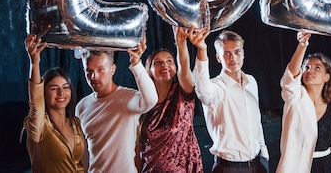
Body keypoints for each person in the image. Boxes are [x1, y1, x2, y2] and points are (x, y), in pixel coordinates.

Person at [75, 36, 158, 173]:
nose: (93, 77)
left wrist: (136, 63)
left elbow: (151, 100)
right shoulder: (82, 107)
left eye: (100, 69)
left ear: (112, 69)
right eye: (88, 71)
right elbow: (84, 151)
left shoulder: (129, 98)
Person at [193, 29, 270, 172]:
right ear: (218, 58)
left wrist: (264, 154)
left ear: (243, 53)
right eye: (226, 54)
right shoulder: (215, 87)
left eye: (237, 51)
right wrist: (202, 50)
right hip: (228, 167)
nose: (233, 57)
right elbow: (202, 91)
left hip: (257, 164)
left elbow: (256, 120)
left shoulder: (251, 81)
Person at [136, 26, 204, 172]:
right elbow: (138, 150)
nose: (164, 65)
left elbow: (185, 72)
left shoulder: (182, 94)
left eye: (169, 61)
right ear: (150, 71)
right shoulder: (143, 103)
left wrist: (180, 43)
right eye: (158, 63)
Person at [277, 31, 331, 173]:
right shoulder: (294, 98)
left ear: (327, 77)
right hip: (298, 167)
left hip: (328, 166)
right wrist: (302, 45)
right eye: (306, 67)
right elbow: (290, 77)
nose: (310, 71)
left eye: (317, 68)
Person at [22, 34, 87, 173]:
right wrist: (34, 63)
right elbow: (36, 105)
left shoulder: (75, 124)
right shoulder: (39, 126)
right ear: (43, 94)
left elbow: (81, 165)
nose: (61, 93)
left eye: (65, 87)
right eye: (53, 88)